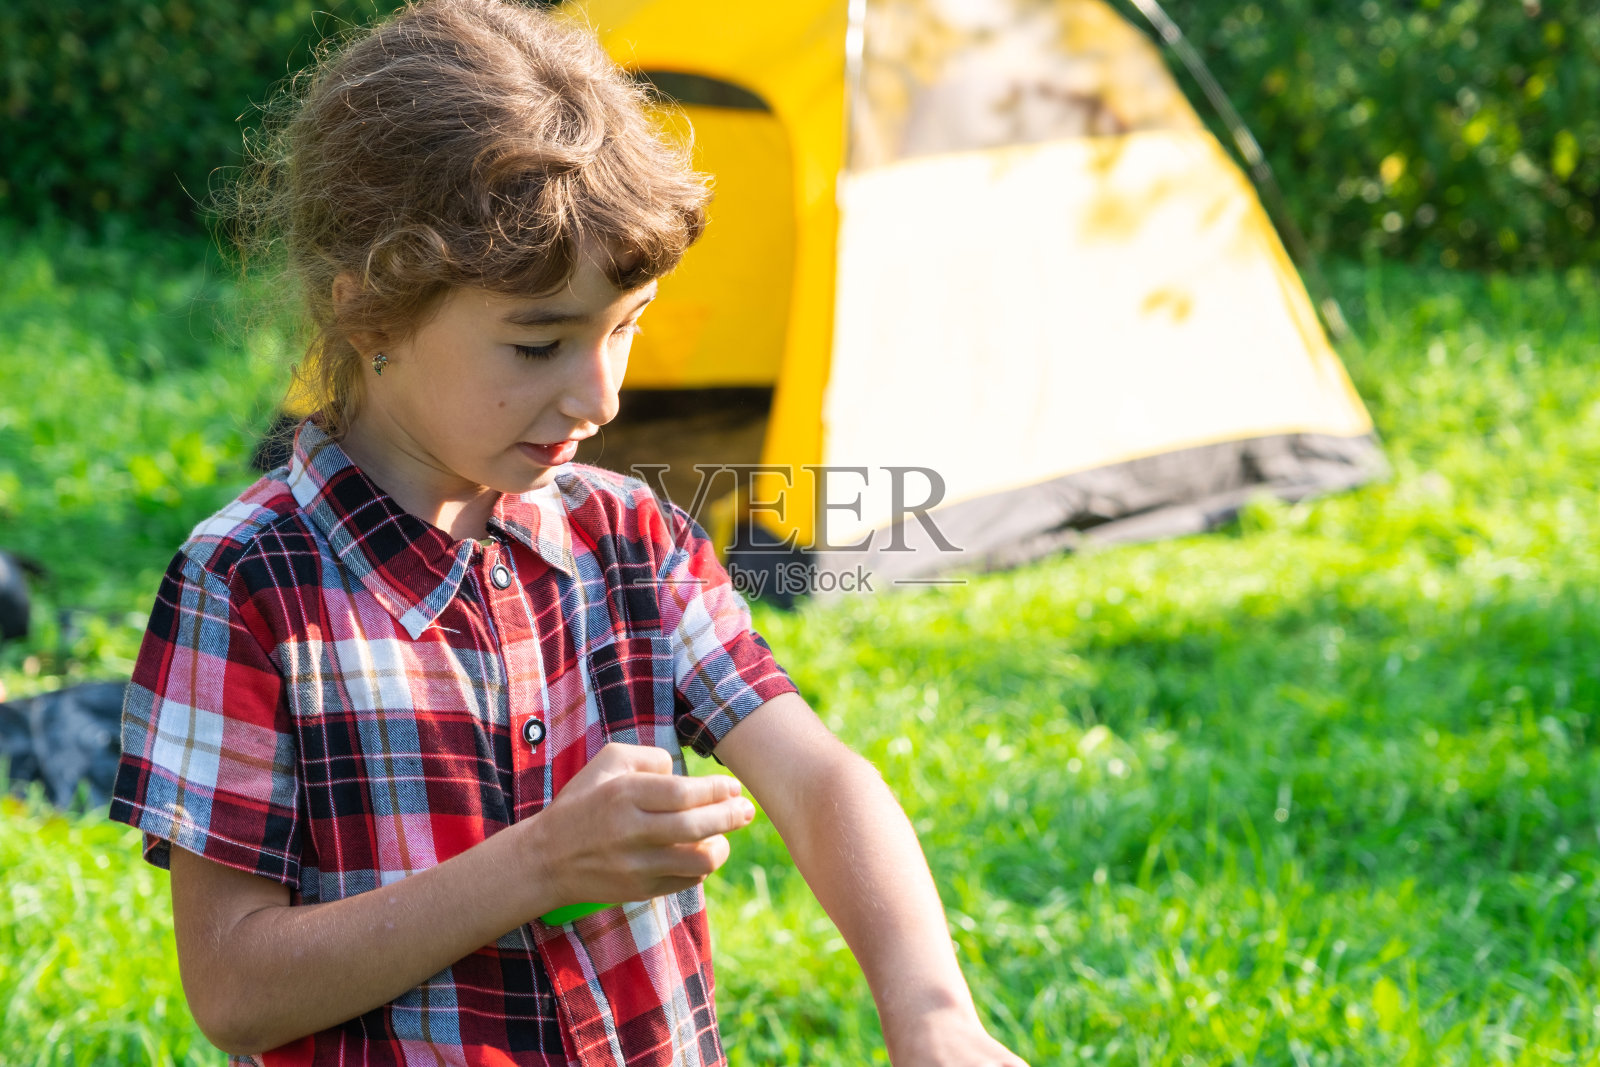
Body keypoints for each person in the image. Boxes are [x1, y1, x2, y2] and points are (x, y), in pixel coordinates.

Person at [108, 2, 1028, 1064]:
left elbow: (818, 780)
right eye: (537, 343)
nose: (597, 394)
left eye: (624, 326)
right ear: (366, 313)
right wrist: (540, 863)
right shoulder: (250, 581)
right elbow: (234, 986)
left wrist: (930, 1010)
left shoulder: (630, 536)